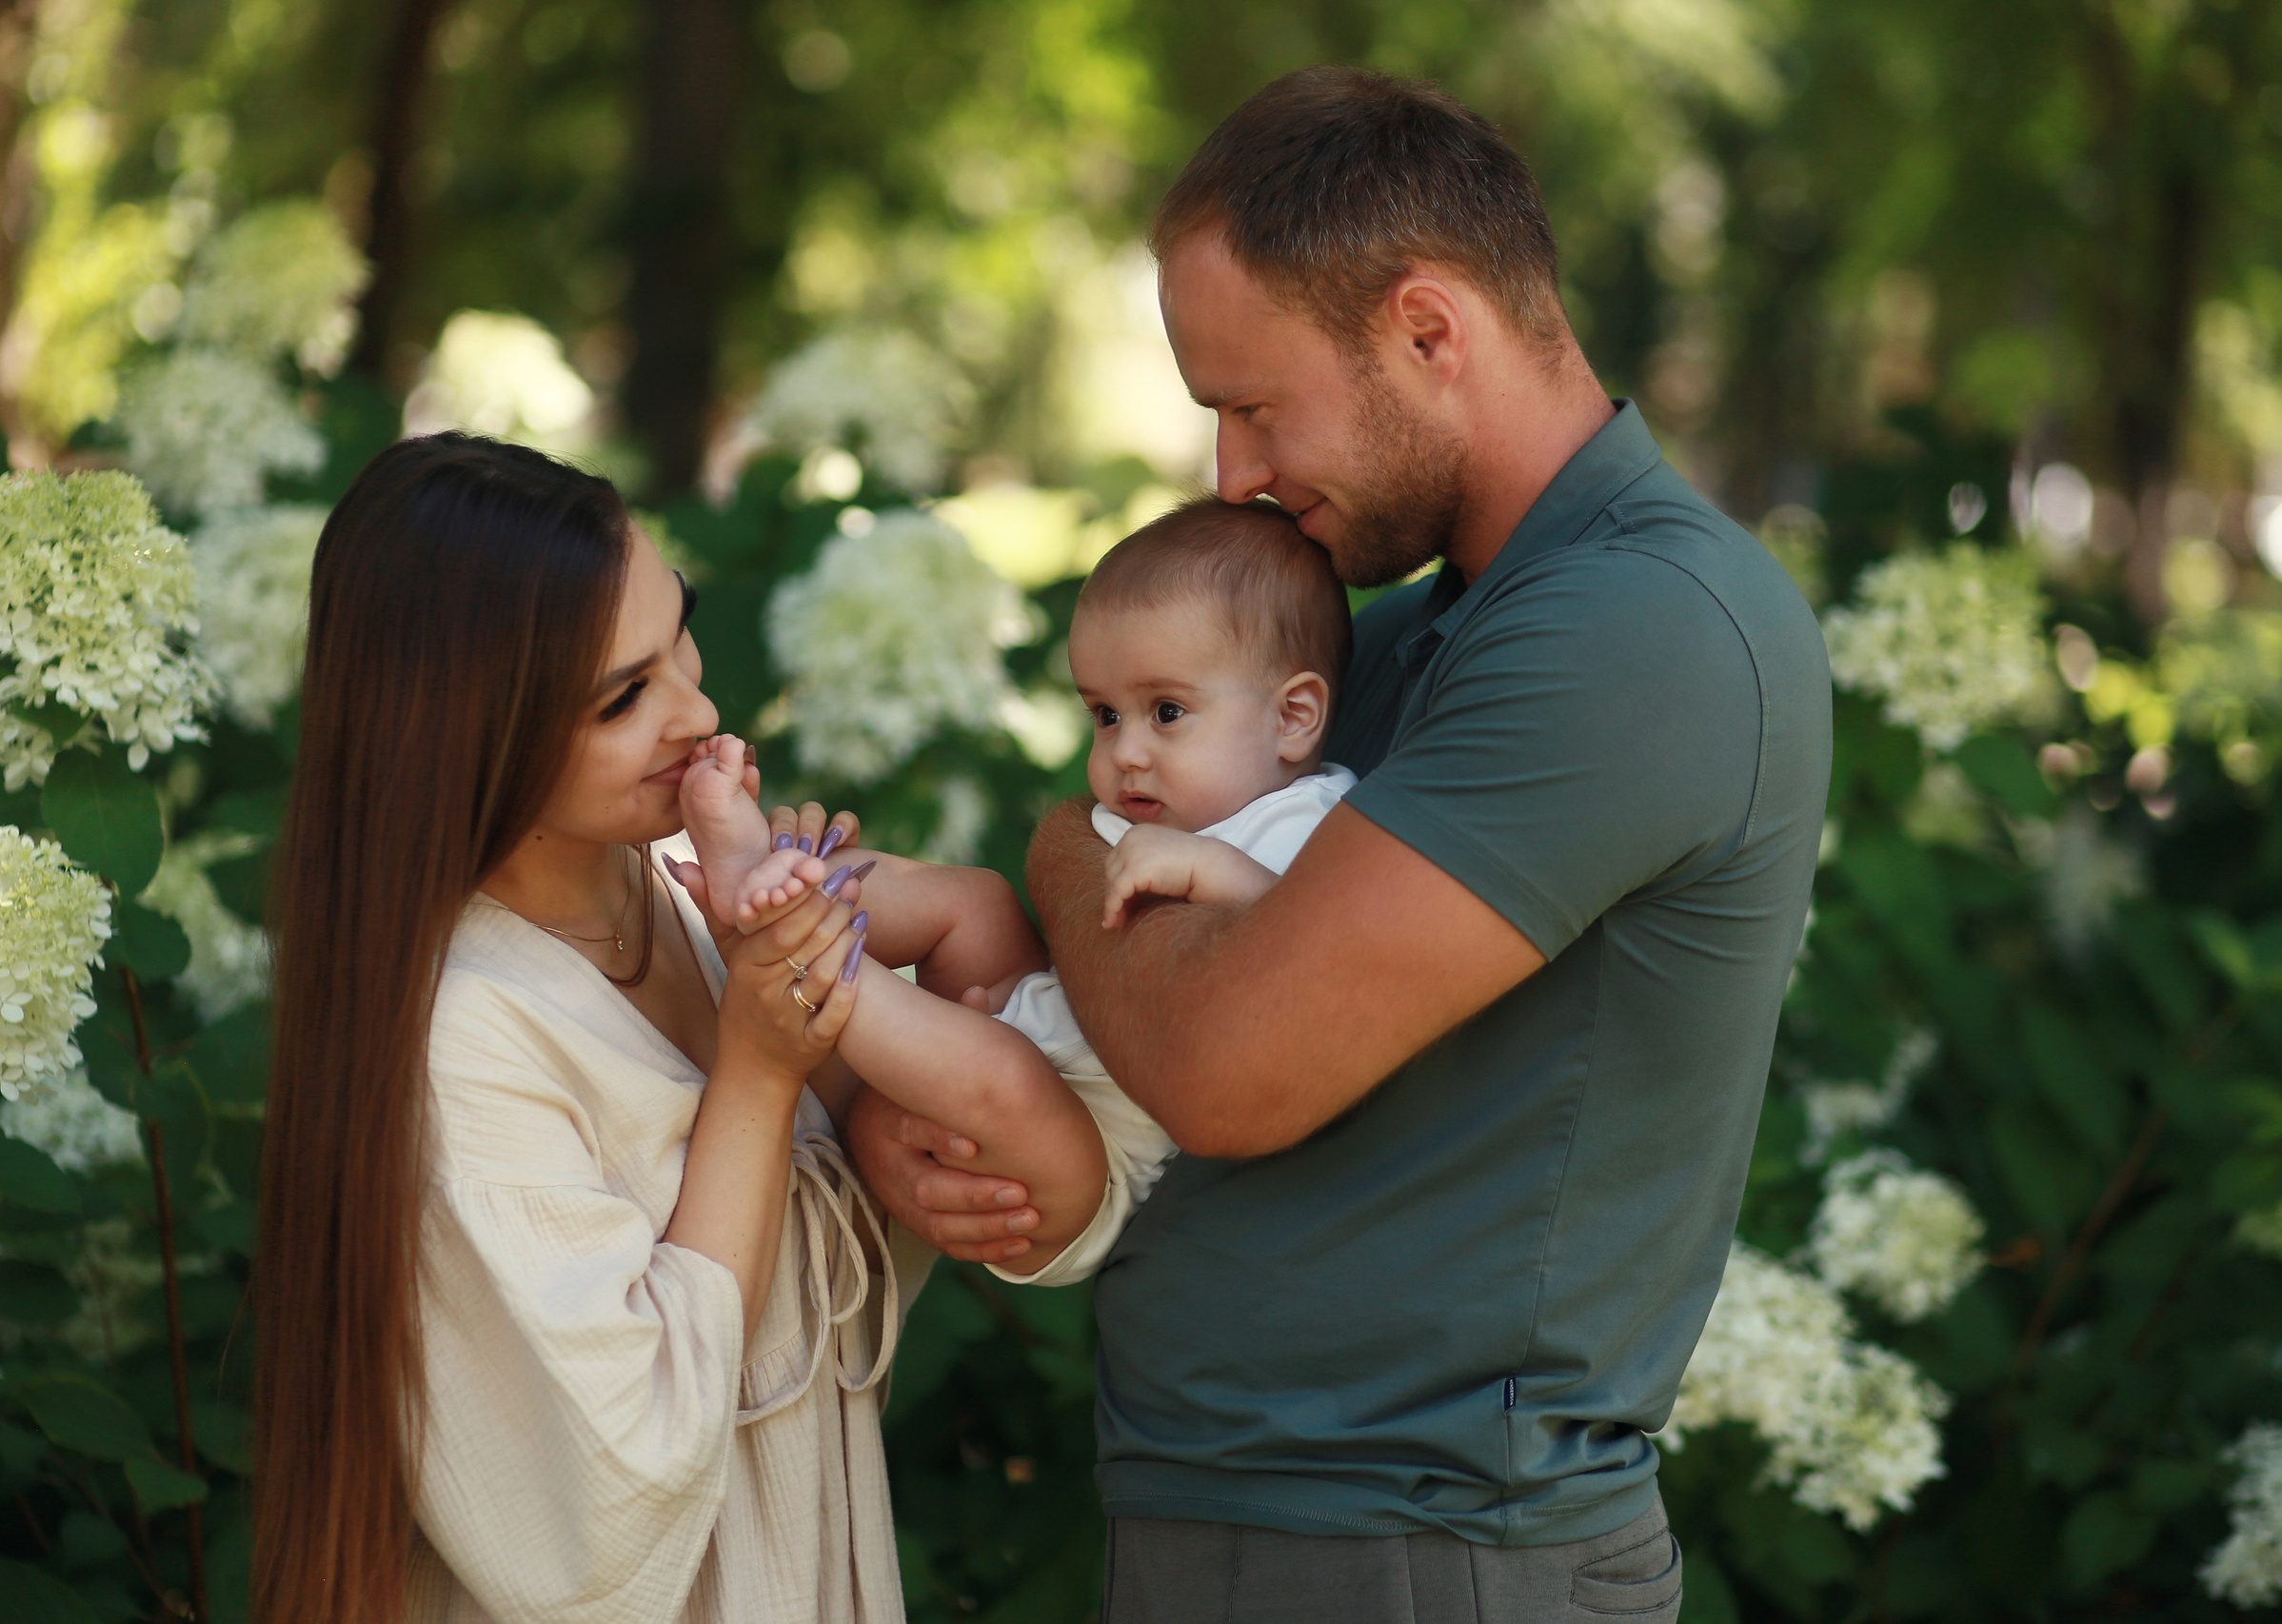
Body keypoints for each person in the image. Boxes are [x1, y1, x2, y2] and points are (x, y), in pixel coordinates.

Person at [854, 66, 1834, 1623]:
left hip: (1430, 1549)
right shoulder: (1386, 638)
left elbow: (1230, 1059)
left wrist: (1053, 851)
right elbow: (1133, 969)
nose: (1232, 475)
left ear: (1429, 332)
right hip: (1255, 1515)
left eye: (1253, 404)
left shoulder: (1640, 629)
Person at [248, 434, 1020, 1624]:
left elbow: (825, 1300)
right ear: (465, 733)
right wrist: (761, 1074)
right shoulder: (459, 1035)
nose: (700, 711)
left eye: (682, 638)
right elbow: (611, 1491)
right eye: (624, 696)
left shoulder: (690, 891)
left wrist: (892, 1083)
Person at [683, 495, 1357, 1284]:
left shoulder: (1313, 822)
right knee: (972, 902)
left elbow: (1315, 954)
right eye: (1105, 714)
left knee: (1002, 1073)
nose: (1126, 751)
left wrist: (1217, 874)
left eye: (1166, 712)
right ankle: (775, 872)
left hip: (1091, 1156)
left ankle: (796, 948)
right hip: (1040, 1018)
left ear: (1295, 718)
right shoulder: (1149, 805)